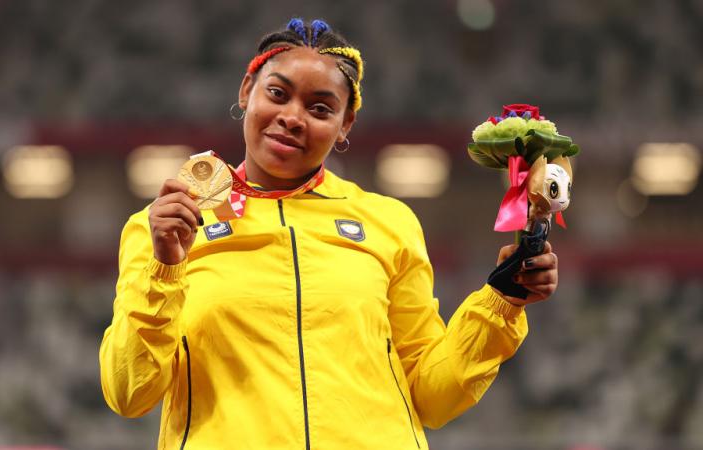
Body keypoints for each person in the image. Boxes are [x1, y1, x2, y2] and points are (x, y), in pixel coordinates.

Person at [99, 18, 558, 450]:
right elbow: (129, 392)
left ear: (345, 125)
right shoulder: (165, 228)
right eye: (278, 94)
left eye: (320, 108)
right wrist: (164, 268)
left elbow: (432, 397)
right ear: (246, 92)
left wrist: (501, 301)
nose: (293, 117)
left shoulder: (387, 222)